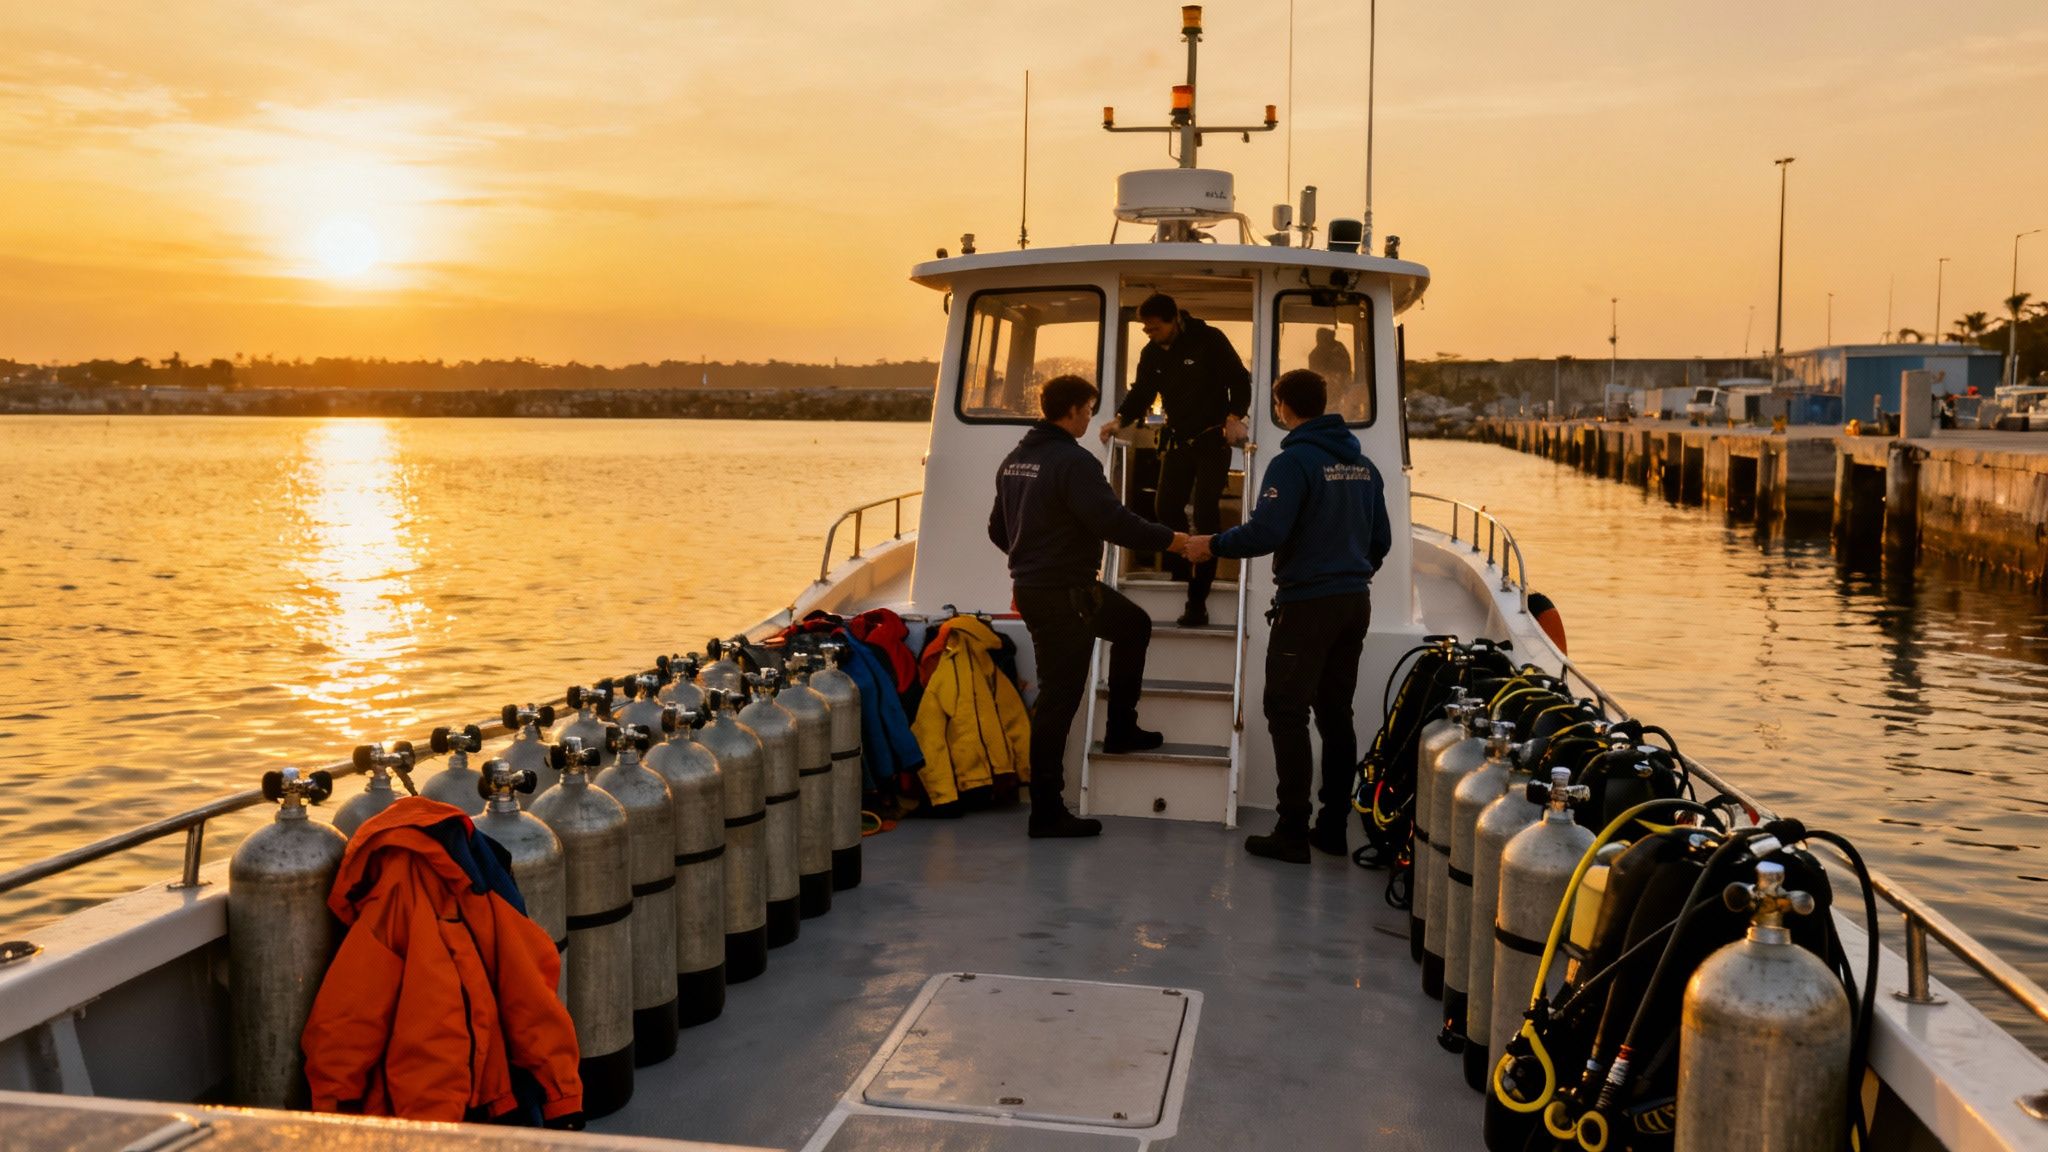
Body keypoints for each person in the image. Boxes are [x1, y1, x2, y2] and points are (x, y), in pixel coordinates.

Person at [1185, 369, 1391, 863]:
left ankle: (1292, 831)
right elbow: (1380, 542)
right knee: (1336, 715)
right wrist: (1348, 572)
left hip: (1308, 606)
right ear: (1322, 402)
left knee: (1286, 711)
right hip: (1353, 602)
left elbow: (1265, 533)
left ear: (1282, 406)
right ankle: (1334, 828)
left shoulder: (1292, 462)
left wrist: (1210, 545)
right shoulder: (1364, 466)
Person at [991, 374, 1187, 839]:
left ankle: (1122, 727)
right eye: (1088, 409)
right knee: (1059, 700)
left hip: (1044, 589)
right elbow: (1113, 522)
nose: (1089, 417)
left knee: (1133, 625)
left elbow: (1000, 532)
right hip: (1063, 595)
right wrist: (1175, 541)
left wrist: (1034, 558)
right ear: (1075, 410)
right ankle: (1046, 811)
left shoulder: (1015, 460)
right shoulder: (1074, 463)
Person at [1097, 293, 1250, 628]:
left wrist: (1235, 416)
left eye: (1153, 328)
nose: (1149, 334)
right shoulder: (1152, 353)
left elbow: (1240, 379)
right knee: (1165, 509)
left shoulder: (1209, 340)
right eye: (1145, 329)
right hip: (1178, 441)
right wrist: (1119, 420)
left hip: (1212, 440)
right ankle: (1185, 567)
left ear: (1173, 321)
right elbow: (1141, 393)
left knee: (1207, 513)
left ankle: (1198, 600)